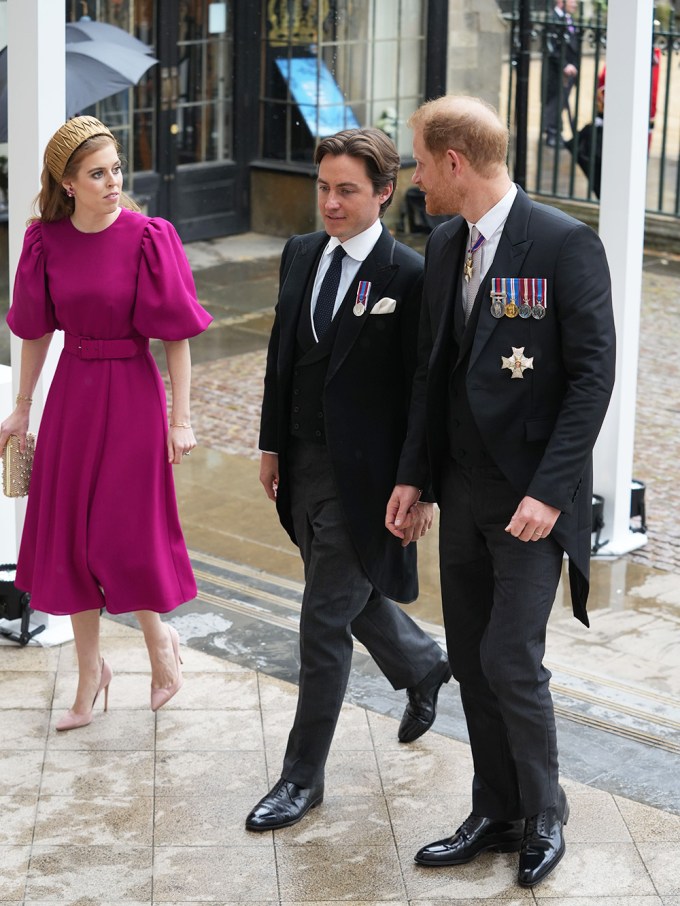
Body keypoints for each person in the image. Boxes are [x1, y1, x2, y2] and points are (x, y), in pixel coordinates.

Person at [385, 96, 615, 888]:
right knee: (473, 661)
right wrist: (414, 476)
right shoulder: (447, 241)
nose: (414, 180)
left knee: (513, 659)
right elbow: (432, 373)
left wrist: (552, 494)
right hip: (463, 493)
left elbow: (591, 380)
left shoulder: (563, 244)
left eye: (419, 162)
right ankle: (497, 809)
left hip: (529, 503)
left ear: (454, 162)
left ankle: (546, 812)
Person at [247, 127, 451, 832]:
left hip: (367, 480)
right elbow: (282, 356)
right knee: (348, 596)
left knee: (323, 620)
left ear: (385, 194)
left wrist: (421, 485)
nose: (330, 203)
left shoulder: (409, 275)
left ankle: (302, 779)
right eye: (323, 188)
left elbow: (426, 389)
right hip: (302, 464)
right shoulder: (300, 253)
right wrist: (272, 442)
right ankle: (423, 664)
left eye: (347, 191)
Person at [0, 116, 212, 730]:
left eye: (117, 169)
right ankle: (90, 674)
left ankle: (158, 646)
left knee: (123, 533)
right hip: (73, 393)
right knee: (70, 535)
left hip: (133, 395)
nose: (114, 181)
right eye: (98, 174)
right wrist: (22, 404)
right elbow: (35, 329)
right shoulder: (44, 241)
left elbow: (176, 337)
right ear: (68, 183)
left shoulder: (150, 237)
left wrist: (182, 419)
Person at [543, 0, 579, 148]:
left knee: (562, 101)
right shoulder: (553, 19)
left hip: (570, 71)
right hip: (557, 70)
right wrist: (565, 65)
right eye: (572, 0)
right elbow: (551, 47)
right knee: (555, 101)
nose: (575, 4)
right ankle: (551, 133)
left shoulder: (569, 19)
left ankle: (558, 131)